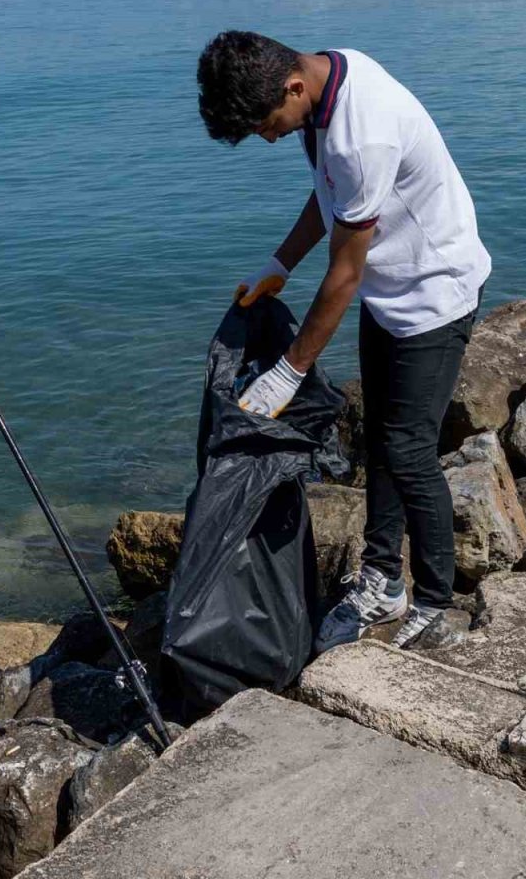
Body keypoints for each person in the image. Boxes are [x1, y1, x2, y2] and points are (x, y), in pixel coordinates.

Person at [196, 32, 490, 652]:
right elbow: (331, 193)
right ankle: (383, 579)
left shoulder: (364, 131)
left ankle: (437, 602)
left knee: (408, 450)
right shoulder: (329, 82)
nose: (269, 138)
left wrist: (289, 370)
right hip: (392, 289)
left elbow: (346, 274)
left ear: (292, 87)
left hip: (434, 293)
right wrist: (280, 262)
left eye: (266, 124)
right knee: (381, 437)